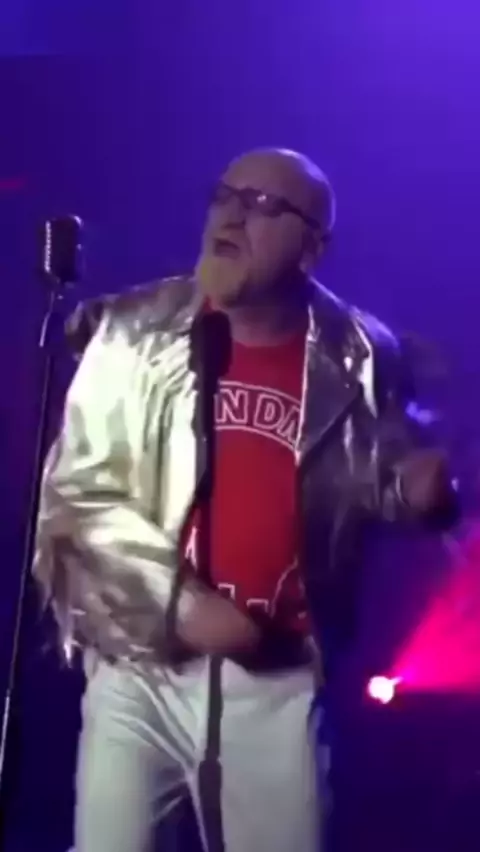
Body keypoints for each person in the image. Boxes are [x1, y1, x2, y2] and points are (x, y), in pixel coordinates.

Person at [34, 148, 458, 852]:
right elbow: (79, 496)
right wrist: (181, 602)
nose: (231, 216)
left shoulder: (361, 352)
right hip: (139, 671)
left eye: (263, 205)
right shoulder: (134, 331)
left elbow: (374, 476)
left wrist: (418, 494)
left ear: (311, 248)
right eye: (225, 196)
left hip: (279, 686)